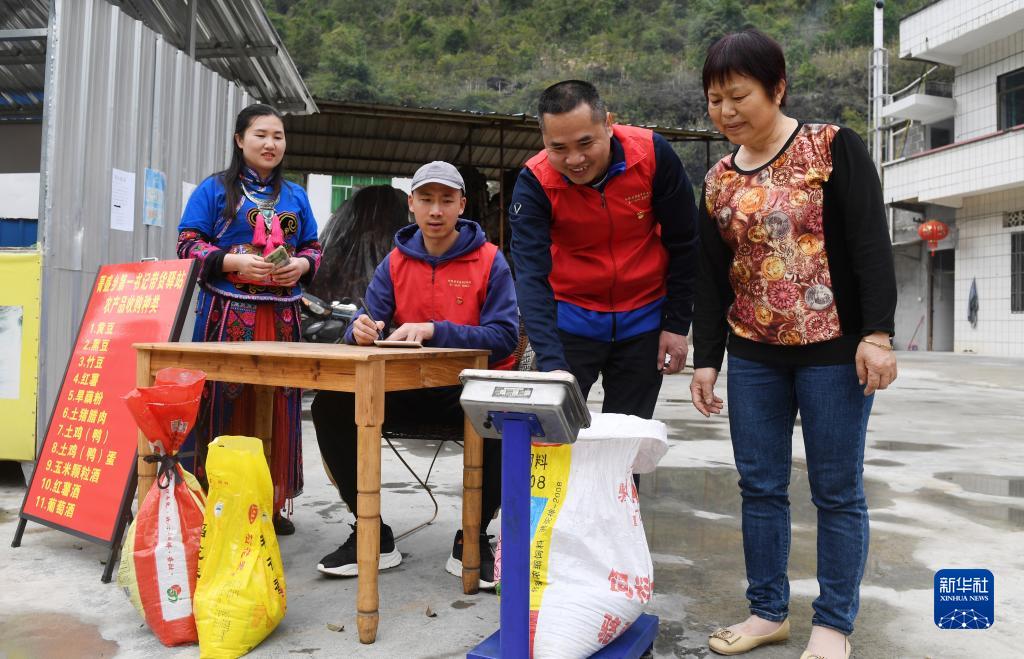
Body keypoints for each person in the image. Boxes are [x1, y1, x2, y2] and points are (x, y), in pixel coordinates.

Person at [690, 30, 897, 659]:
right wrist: (707, 360)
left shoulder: (831, 148)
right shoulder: (718, 180)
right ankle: (767, 613)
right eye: (714, 99)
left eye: (738, 95)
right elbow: (709, 275)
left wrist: (878, 335)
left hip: (833, 351)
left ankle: (833, 625)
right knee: (760, 487)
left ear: (777, 88)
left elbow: (868, 244)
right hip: (754, 353)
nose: (725, 111)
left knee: (836, 490)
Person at [311, 161, 518, 588]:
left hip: (465, 390)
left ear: (462, 204)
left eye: (446, 200)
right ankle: (372, 532)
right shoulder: (395, 262)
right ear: (411, 204)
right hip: (404, 386)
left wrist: (435, 330)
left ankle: (474, 536)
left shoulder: (489, 260)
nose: (436, 210)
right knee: (331, 404)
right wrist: (359, 330)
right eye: (426, 199)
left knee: (505, 411)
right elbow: (371, 318)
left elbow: (504, 336)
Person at [509, 80, 698, 427]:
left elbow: (685, 242)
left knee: (627, 442)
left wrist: (676, 324)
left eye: (585, 143)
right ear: (543, 141)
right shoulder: (534, 182)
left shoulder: (653, 155)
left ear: (608, 123)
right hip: (570, 320)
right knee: (552, 438)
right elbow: (530, 276)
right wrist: (551, 362)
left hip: (644, 319)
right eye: (559, 148)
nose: (575, 160)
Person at [177, 103, 321, 536]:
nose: (270, 143)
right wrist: (231, 262)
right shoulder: (214, 190)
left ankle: (270, 502)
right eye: (261, 134)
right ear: (240, 140)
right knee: (224, 403)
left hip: (282, 319)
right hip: (227, 315)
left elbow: (314, 247)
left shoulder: (296, 195)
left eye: (278, 136)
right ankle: (219, 501)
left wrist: (301, 266)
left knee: (279, 405)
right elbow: (187, 245)